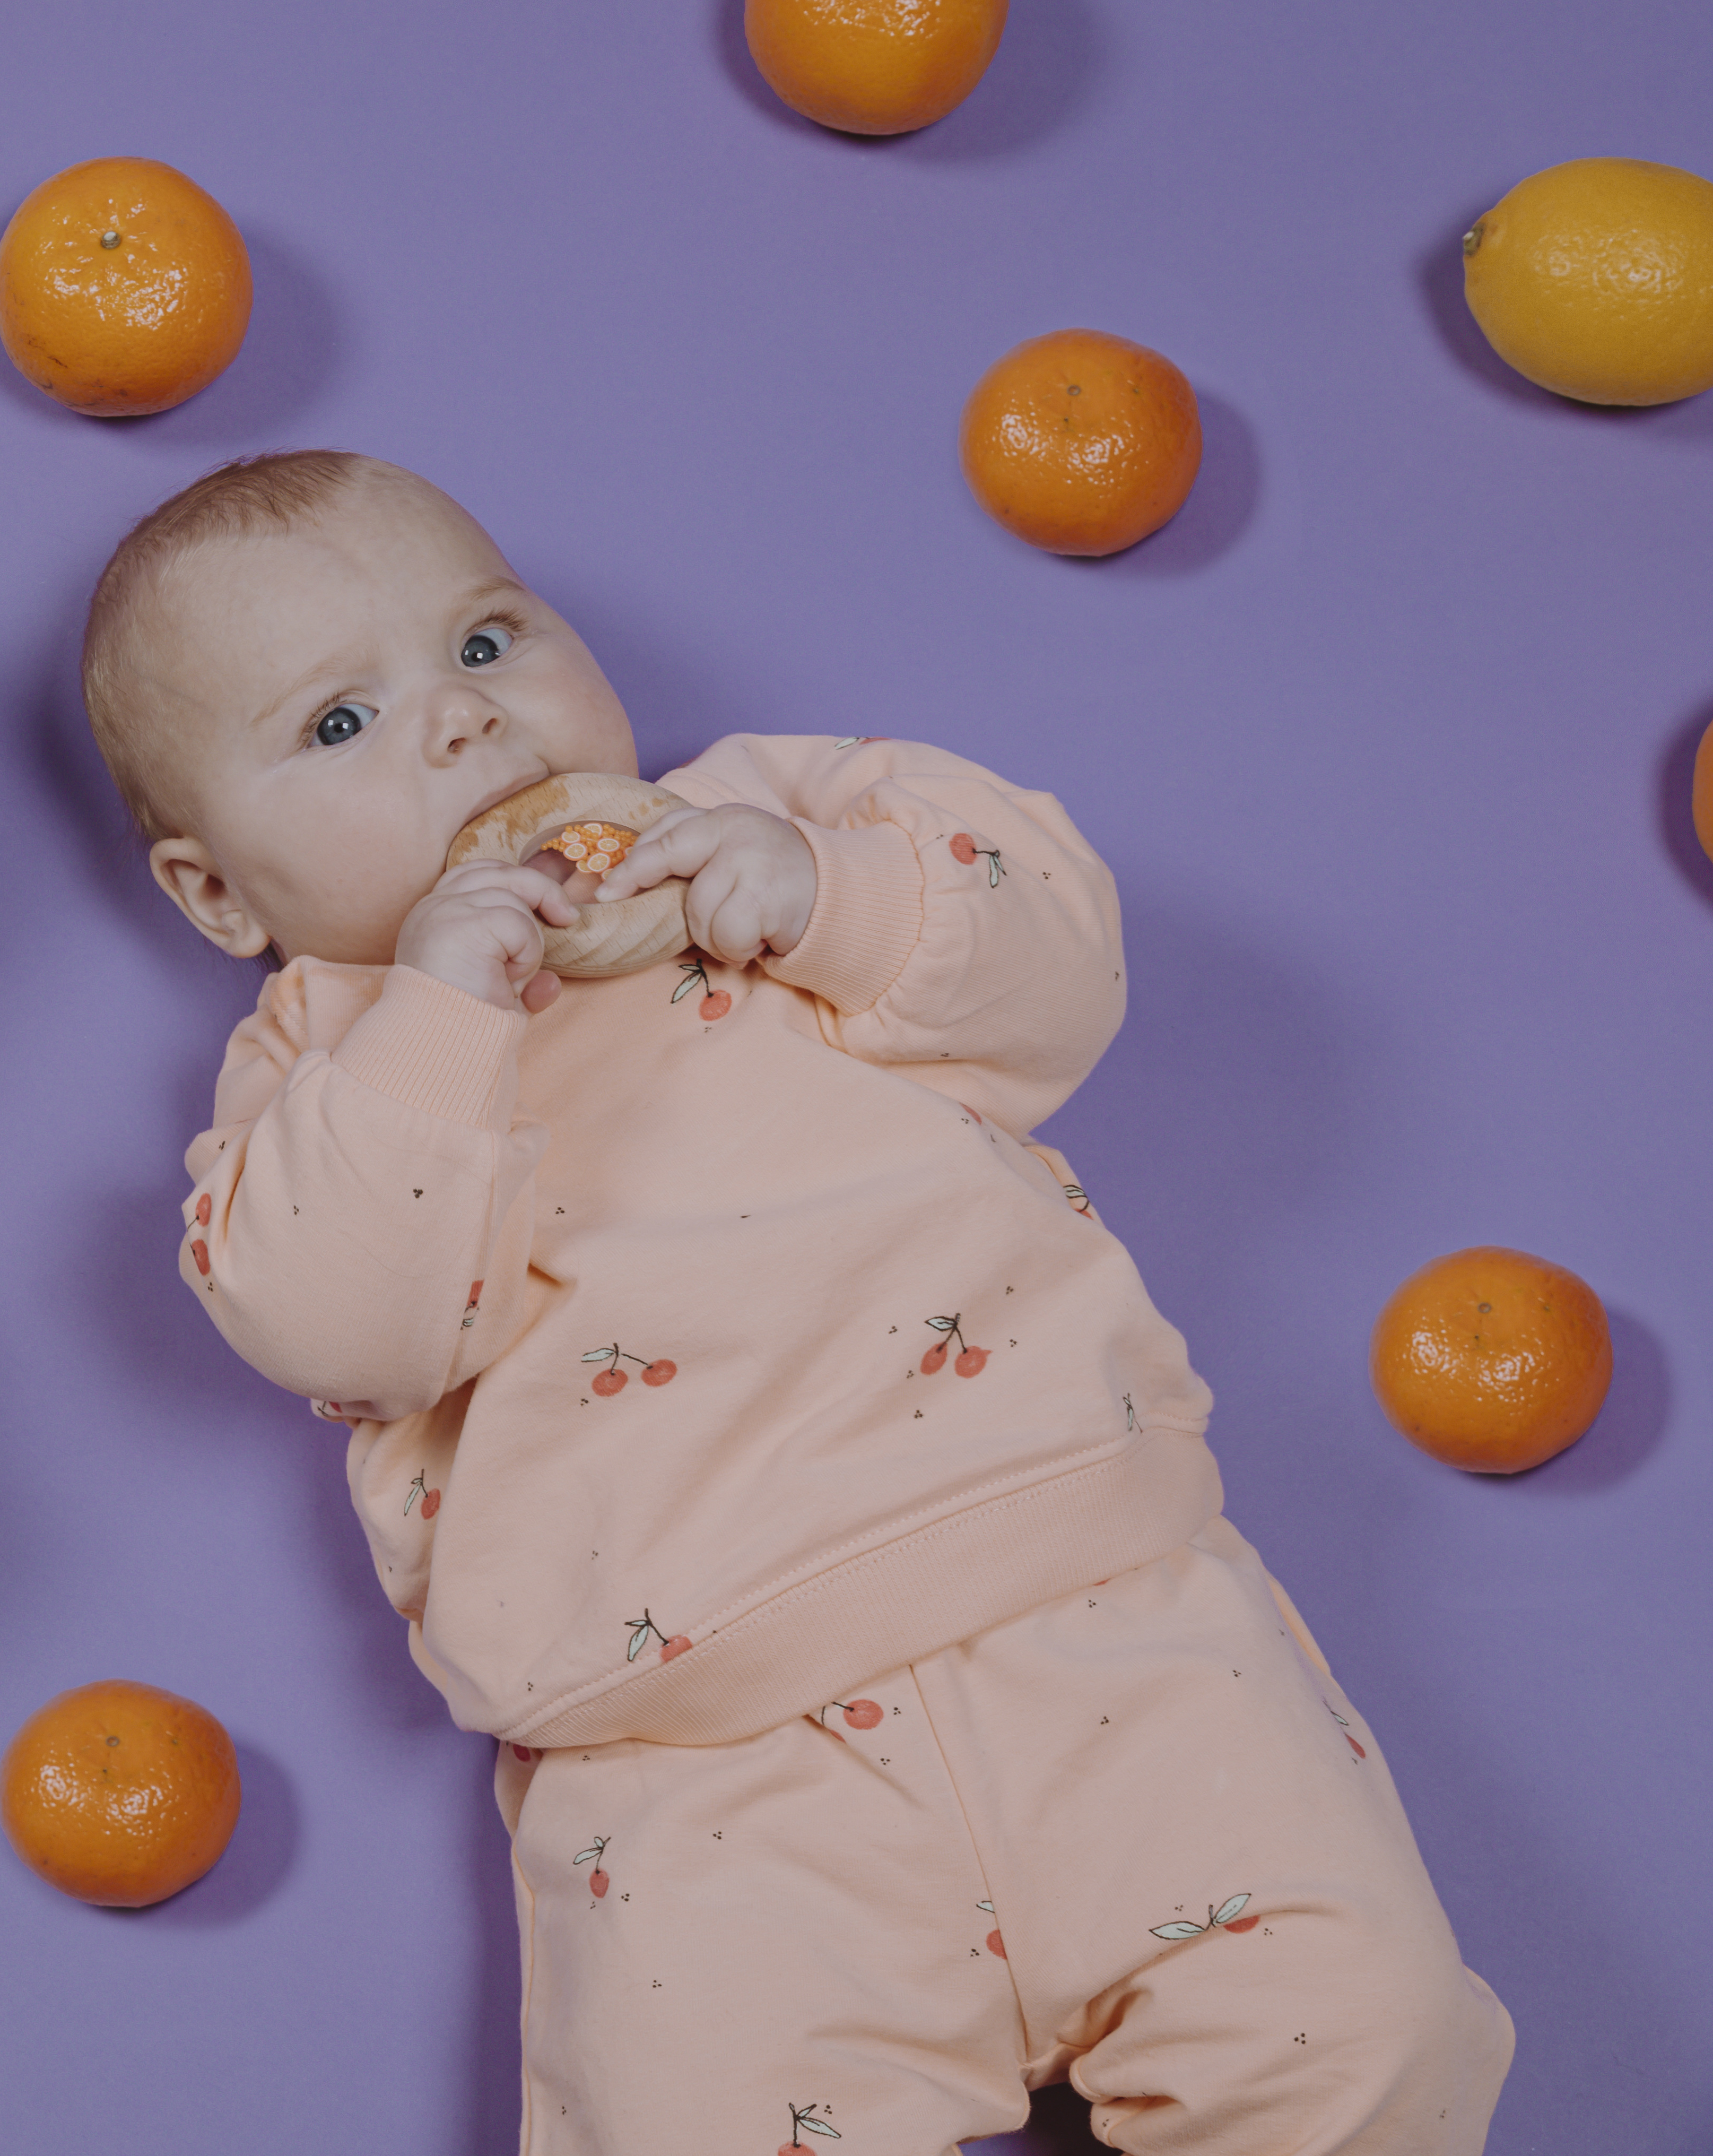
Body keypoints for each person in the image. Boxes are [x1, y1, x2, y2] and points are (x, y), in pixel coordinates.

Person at [80, 447, 1509, 2154]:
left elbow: (1060, 959)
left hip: (1106, 1617)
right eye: (338, 726)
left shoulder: (763, 813)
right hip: (700, 1775)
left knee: (1368, 2034)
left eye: (484, 643)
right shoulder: (325, 1070)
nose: (462, 725)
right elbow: (346, 1328)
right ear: (219, 894)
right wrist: (444, 1011)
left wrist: (831, 893)